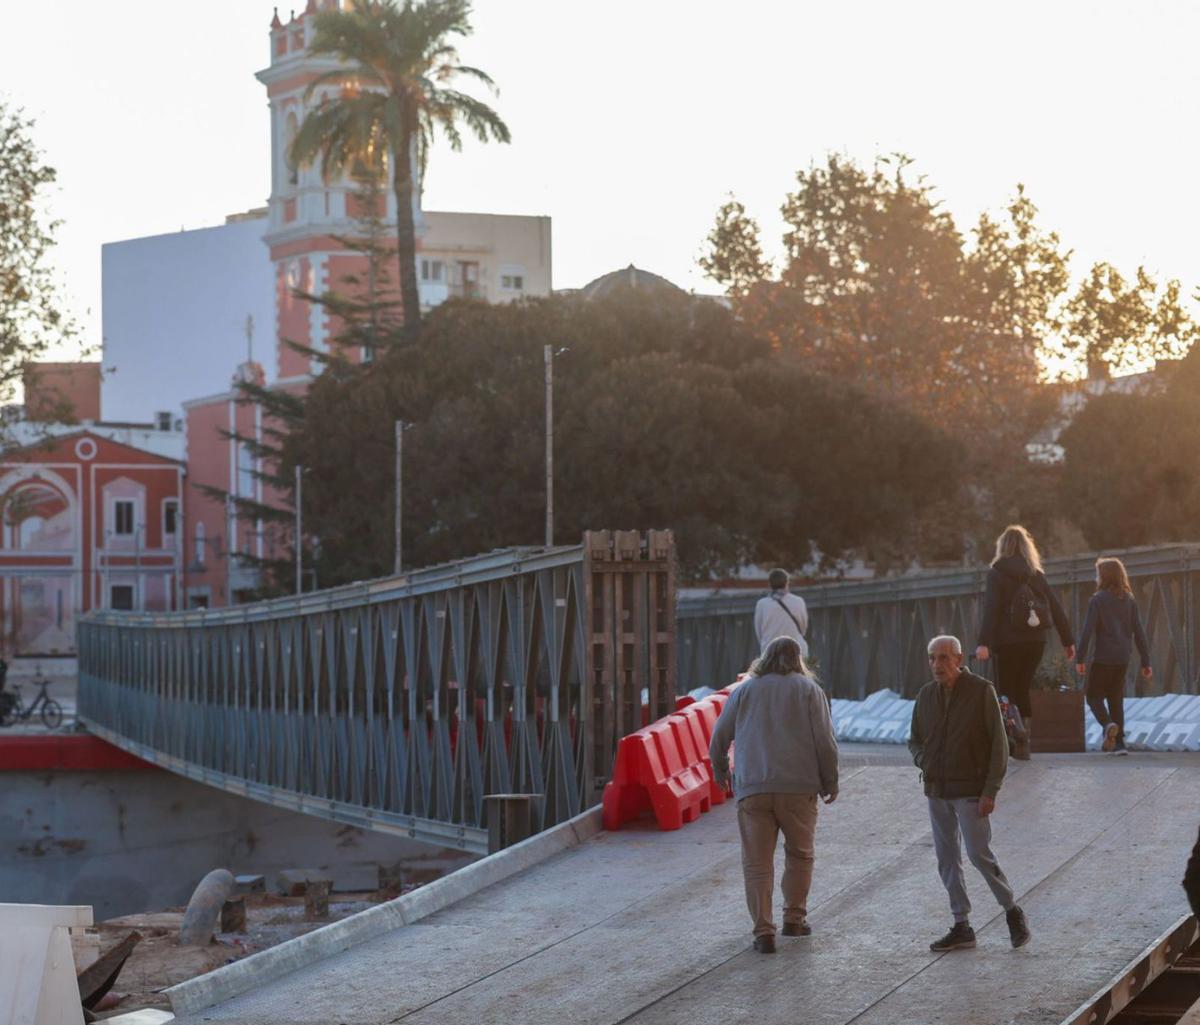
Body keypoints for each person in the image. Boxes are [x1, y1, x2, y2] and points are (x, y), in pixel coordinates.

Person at [709, 635, 838, 954]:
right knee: (800, 853)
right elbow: (825, 741)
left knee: (757, 862)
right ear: (799, 661)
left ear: (763, 658)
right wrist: (830, 781)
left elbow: (719, 736)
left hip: (753, 789)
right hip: (798, 788)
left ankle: (763, 932)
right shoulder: (810, 690)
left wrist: (721, 770)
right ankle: (794, 919)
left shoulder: (744, 691)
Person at [910, 635, 1030, 951]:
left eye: (945, 657)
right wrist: (924, 760)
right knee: (946, 858)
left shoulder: (981, 692)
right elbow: (914, 739)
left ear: (960, 660)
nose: (939, 664)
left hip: (971, 790)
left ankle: (1011, 910)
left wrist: (991, 789)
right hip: (937, 790)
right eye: (934, 658)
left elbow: (999, 745)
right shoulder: (925, 696)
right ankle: (961, 924)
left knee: (978, 854)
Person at [976, 525, 1075, 749]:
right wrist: (1068, 641)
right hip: (1035, 641)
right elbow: (1056, 607)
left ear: (1002, 547)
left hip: (1006, 642)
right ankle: (1024, 741)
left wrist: (983, 643)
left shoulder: (996, 574)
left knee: (1006, 690)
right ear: (1026, 547)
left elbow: (991, 609)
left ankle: (1014, 734)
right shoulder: (1036, 574)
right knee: (1022, 688)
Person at [1075, 557, 1151, 756]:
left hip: (1103, 657)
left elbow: (1087, 631)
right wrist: (1146, 661)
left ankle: (1108, 724)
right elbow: (1139, 631)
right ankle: (1119, 745)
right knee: (1115, 697)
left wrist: (1080, 658)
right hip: (1123, 657)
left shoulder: (1097, 600)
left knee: (1092, 696)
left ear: (1104, 577)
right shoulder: (1129, 600)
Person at [753, 568, 809, 656]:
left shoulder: (762, 604)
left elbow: (759, 632)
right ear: (787, 582)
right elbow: (803, 628)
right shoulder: (798, 601)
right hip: (795, 650)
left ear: (770, 584)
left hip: (769, 651)